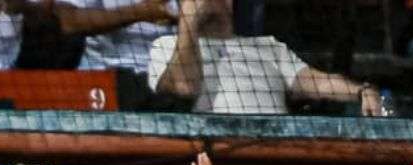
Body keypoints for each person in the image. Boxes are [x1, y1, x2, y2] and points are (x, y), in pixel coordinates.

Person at [149, 0, 382, 115]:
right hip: (212, 157)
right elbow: (183, 87)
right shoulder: (166, 46)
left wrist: (362, 90)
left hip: (273, 153)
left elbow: (316, 82)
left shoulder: (268, 46)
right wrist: (188, 22)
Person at [55, 0, 177, 107]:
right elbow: (67, 19)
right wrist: (139, 12)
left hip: (176, 72)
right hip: (109, 75)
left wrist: (186, 17)